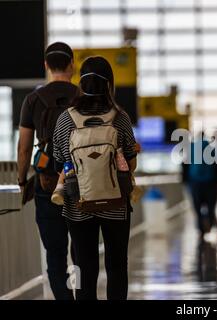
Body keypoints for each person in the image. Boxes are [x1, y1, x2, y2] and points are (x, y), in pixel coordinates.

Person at [52, 56, 137, 300]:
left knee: (85, 265)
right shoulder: (120, 117)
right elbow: (130, 162)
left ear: (81, 83)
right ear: (109, 84)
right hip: (116, 202)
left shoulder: (66, 118)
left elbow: (60, 161)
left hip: (79, 203)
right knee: (117, 265)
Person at [17, 42, 78, 300]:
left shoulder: (33, 99)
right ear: (72, 65)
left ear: (46, 66)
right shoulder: (84, 97)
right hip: (81, 183)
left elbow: (23, 148)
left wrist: (22, 180)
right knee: (82, 250)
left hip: (46, 183)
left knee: (55, 252)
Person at [187, 131, 217, 238]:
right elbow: (215, 164)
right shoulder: (209, 148)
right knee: (211, 206)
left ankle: (201, 229)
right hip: (210, 181)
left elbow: (186, 164)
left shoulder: (192, 147)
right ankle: (209, 226)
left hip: (195, 182)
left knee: (197, 207)